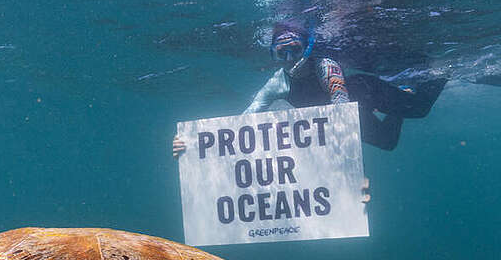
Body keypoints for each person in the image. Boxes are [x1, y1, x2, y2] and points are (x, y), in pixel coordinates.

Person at [173, 20, 449, 161]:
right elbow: (246, 119)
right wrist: (196, 143)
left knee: (420, 109)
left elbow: (339, 102)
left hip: (365, 93)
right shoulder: (277, 82)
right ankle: (402, 93)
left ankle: (443, 70)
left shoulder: (325, 66)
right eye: (281, 54)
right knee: (387, 143)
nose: (289, 60)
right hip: (345, 116)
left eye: (293, 50)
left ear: (305, 48)